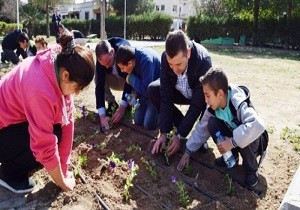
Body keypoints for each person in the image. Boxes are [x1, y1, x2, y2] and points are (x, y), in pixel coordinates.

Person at [0, 34, 95, 194]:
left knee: (56, 131)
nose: (77, 93)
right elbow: (43, 146)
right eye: (78, 88)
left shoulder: (58, 65)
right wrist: (63, 184)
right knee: (47, 140)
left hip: (9, 127)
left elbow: (68, 122)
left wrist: (63, 169)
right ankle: (9, 175)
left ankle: (14, 164)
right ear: (66, 76)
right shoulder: (40, 90)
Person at [177, 67, 267, 188]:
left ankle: (251, 169)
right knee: (212, 123)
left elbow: (257, 125)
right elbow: (201, 129)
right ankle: (231, 156)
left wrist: (231, 142)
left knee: (244, 131)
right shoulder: (213, 108)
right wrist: (188, 151)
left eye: (207, 95)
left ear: (219, 94)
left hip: (254, 142)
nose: (205, 100)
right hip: (235, 138)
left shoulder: (236, 101)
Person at [149, 29, 212, 157]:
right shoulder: (165, 58)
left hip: (198, 95)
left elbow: (196, 105)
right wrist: (164, 132)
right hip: (180, 91)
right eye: (171, 65)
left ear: (188, 53)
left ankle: (199, 137)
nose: (174, 69)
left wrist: (179, 135)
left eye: (178, 64)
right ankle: (180, 123)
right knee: (153, 90)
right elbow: (166, 96)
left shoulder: (203, 62)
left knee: (209, 103)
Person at [115, 45, 160, 130]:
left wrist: (131, 79)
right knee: (138, 120)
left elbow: (147, 91)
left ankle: (164, 113)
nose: (122, 71)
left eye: (122, 68)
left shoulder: (146, 61)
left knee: (148, 124)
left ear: (130, 63)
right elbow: (141, 82)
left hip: (156, 93)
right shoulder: (132, 58)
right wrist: (135, 94)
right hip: (146, 91)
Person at [95, 37, 132, 130]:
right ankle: (112, 103)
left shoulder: (123, 51)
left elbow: (129, 81)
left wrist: (122, 108)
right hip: (114, 81)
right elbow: (99, 86)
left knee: (132, 78)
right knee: (97, 76)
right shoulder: (102, 58)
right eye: (104, 64)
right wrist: (102, 116)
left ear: (112, 52)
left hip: (127, 81)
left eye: (108, 62)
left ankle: (129, 102)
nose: (106, 66)